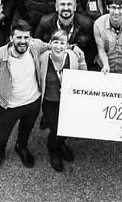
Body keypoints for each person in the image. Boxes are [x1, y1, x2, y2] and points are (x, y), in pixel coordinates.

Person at [0, 21, 50, 174]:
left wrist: (73, 48)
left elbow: (52, 45)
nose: (23, 41)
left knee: (26, 130)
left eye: (26, 37)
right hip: (9, 106)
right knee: (1, 136)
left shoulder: (35, 46)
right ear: (11, 38)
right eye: (19, 37)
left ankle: (21, 147)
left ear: (30, 38)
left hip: (33, 102)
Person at [35, 29, 85, 171]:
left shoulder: (73, 56)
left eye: (62, 43)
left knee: (68, 128)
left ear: (67, 45)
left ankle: (60, 143)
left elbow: (83, 75)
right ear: (50, 43)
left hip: (68, 101)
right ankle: (53, 149)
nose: (58, 46)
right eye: (55, 42)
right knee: (56, 129)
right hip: (50, 101)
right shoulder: (42, 58)